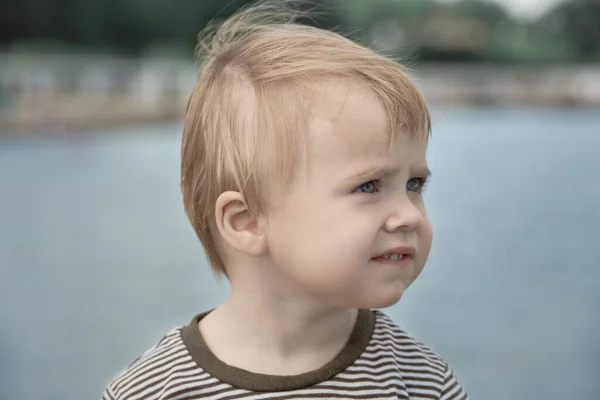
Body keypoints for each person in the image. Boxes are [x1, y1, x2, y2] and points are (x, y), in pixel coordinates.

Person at [102, 1, 469, 399]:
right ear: (248, 221)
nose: (408, 216)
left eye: (414, 184)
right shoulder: (153, 390)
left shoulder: (421, 380)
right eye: (368, 187)